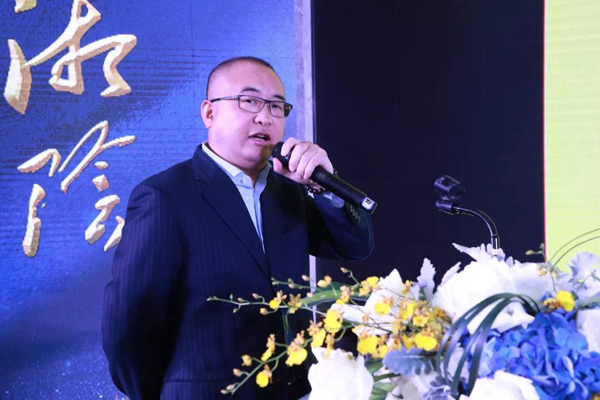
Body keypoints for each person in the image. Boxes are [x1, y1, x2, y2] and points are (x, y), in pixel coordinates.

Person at [101, 56, 374, 400]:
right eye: (249, 101)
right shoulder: (165, 196)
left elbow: (355, 245)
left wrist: (323, 185)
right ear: (209, 113)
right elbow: (127, 326)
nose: (265, 117)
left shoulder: (290, 191)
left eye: (276, 106)